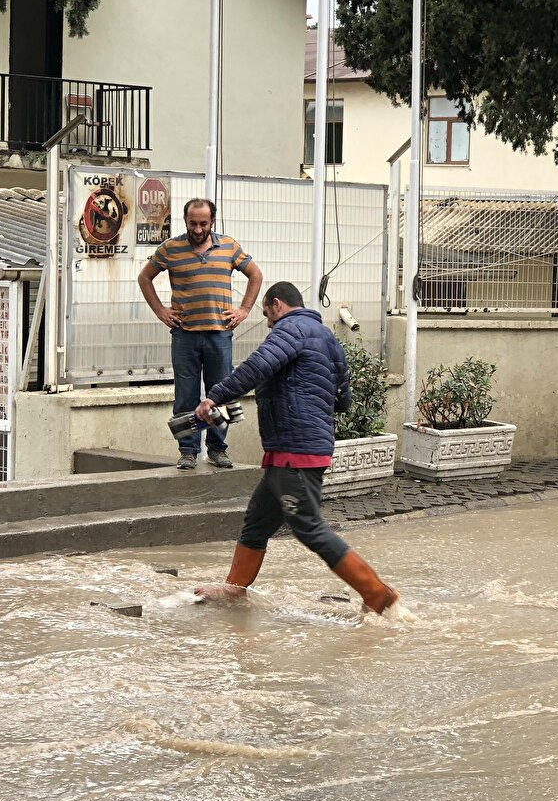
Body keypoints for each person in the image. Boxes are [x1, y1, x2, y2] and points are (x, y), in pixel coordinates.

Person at [191, 281, 401, 615]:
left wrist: (215, 397)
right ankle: (234, 589)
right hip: (296, 448)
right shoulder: (327, 338)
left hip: (295, 449)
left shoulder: (291, 329)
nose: (268, 324)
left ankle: (376, 592)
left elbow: (257, 366)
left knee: (308, 526)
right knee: (257, 522)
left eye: (267, 315)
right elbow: (343, 399)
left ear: (277, 305)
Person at [137, 198, 263, 470]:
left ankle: (218, 449)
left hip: (220, 335)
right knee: (185, 396)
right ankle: (188, 451)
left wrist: (244, 310)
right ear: (185, 221)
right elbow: (144, 278)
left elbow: (255, 275)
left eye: (203, 224)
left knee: (222, 393)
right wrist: (160, 311)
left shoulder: (228, 246)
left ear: (212, 221)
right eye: (192, 223)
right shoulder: (170, 248)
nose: (197, 229)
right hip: (185, 335)